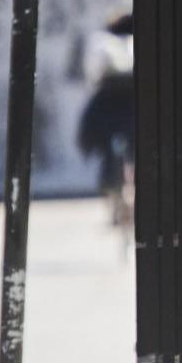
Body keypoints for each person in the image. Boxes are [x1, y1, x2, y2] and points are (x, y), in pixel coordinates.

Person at [74, 12, 138, 233]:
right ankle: (118, 195)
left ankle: (115, 195)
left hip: (112, 103)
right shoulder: (108, 43)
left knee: (97, 138)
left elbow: (93, 76)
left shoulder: (103, 42)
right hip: (127, 102)